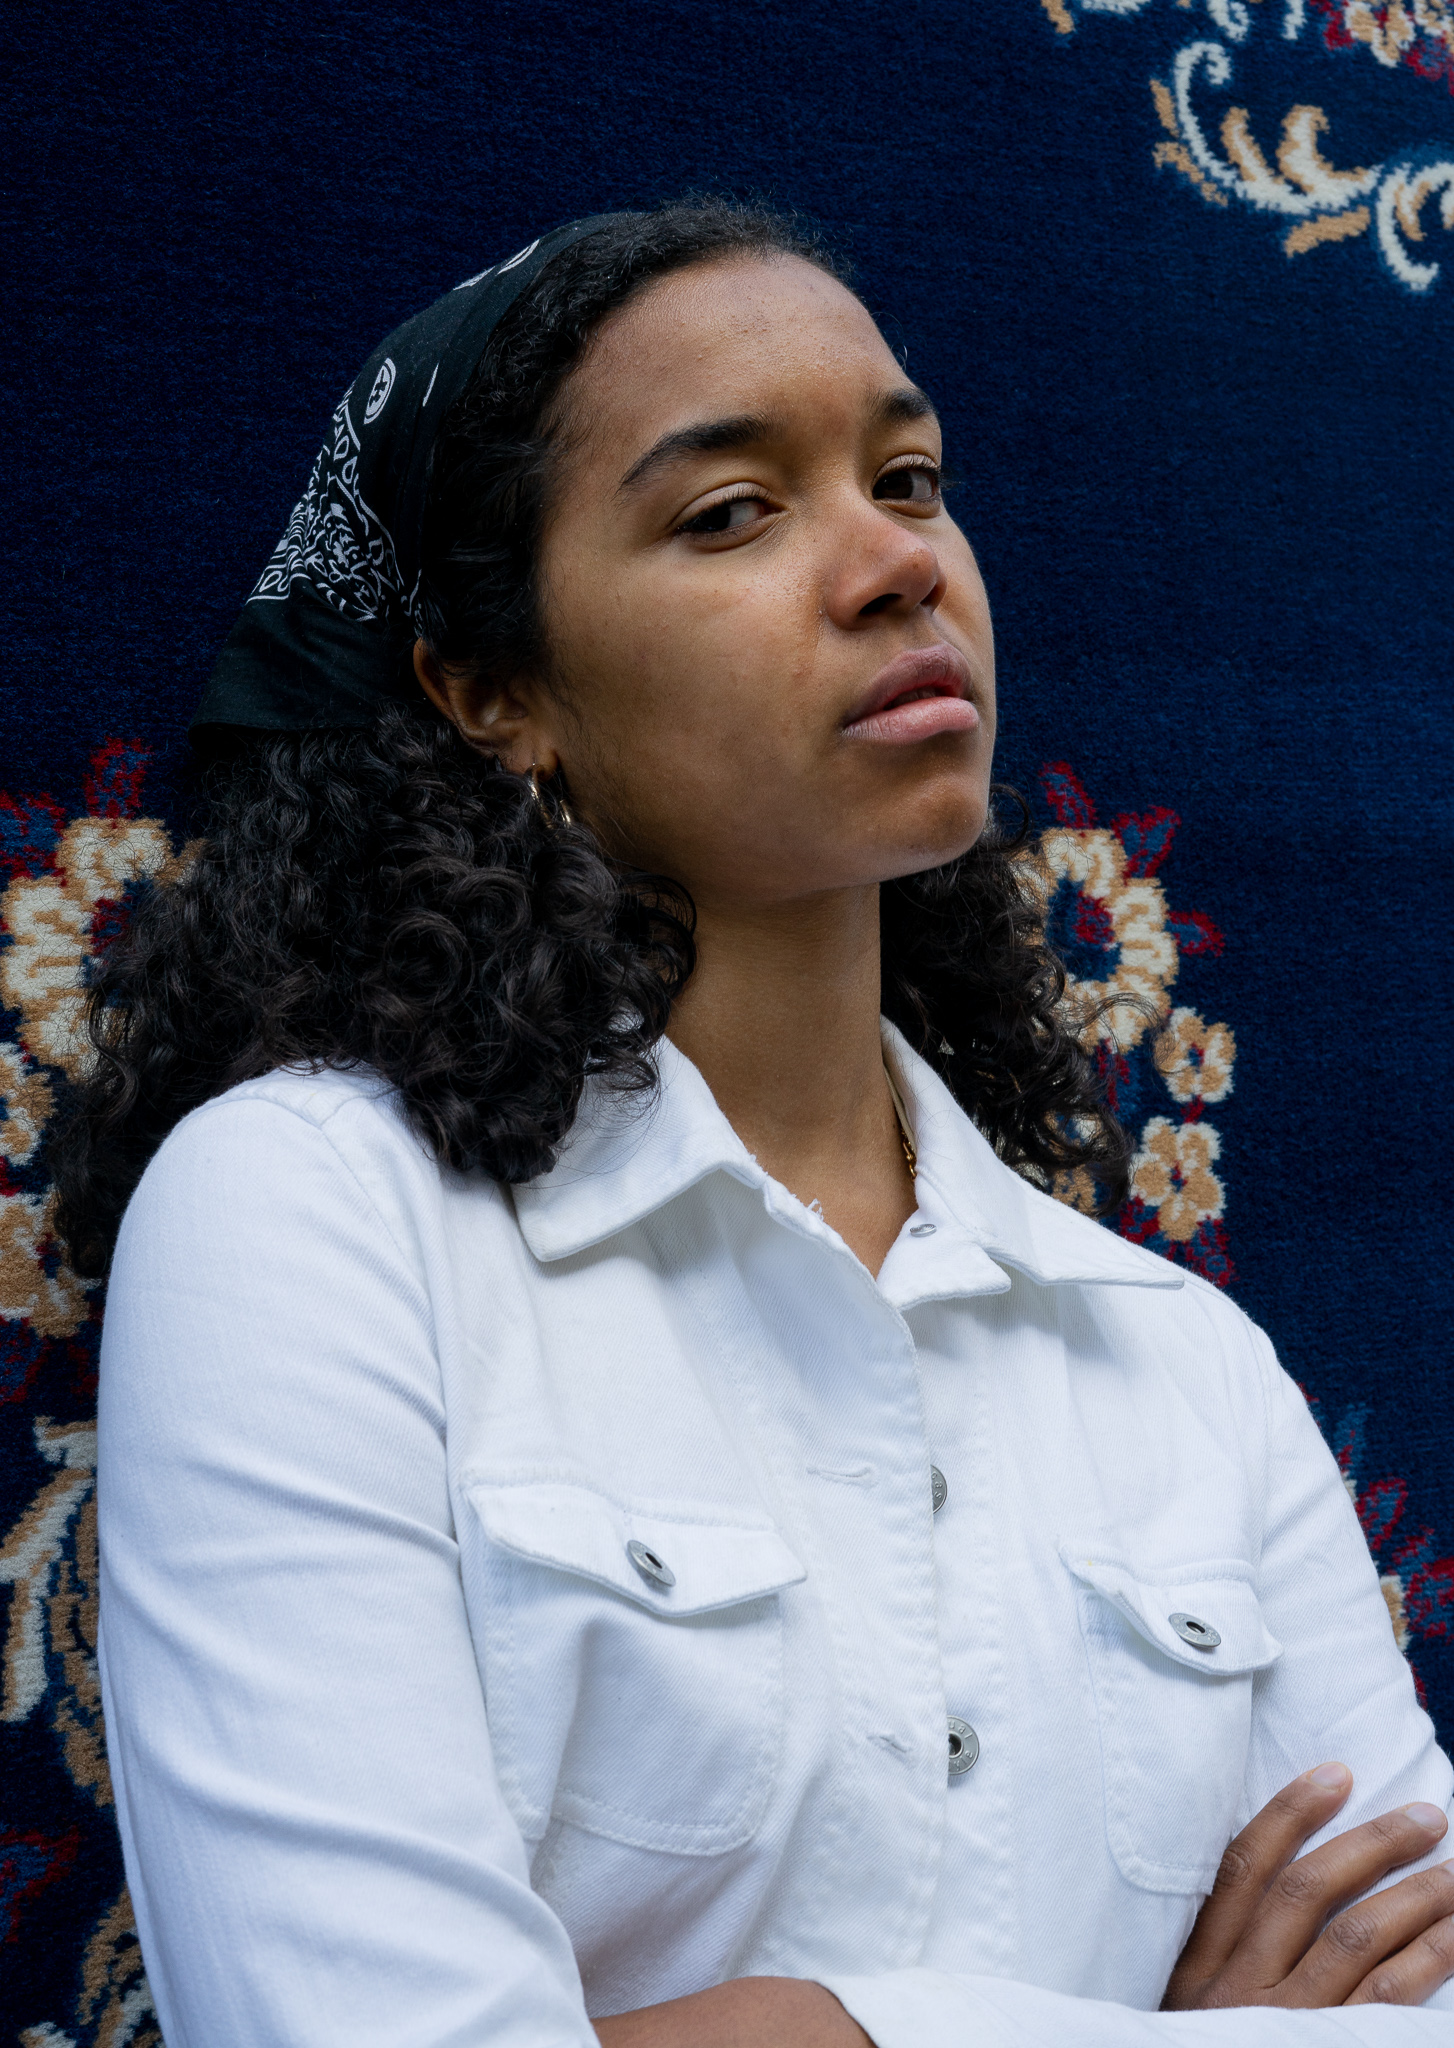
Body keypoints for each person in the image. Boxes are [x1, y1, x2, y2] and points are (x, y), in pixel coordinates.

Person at [61, 202, 1453, 2046]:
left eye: (909, 479)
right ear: (490, 694)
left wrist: (806, 2026)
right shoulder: (308, 1221)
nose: (895, 564)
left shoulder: (1182, 1368)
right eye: (730, 512)